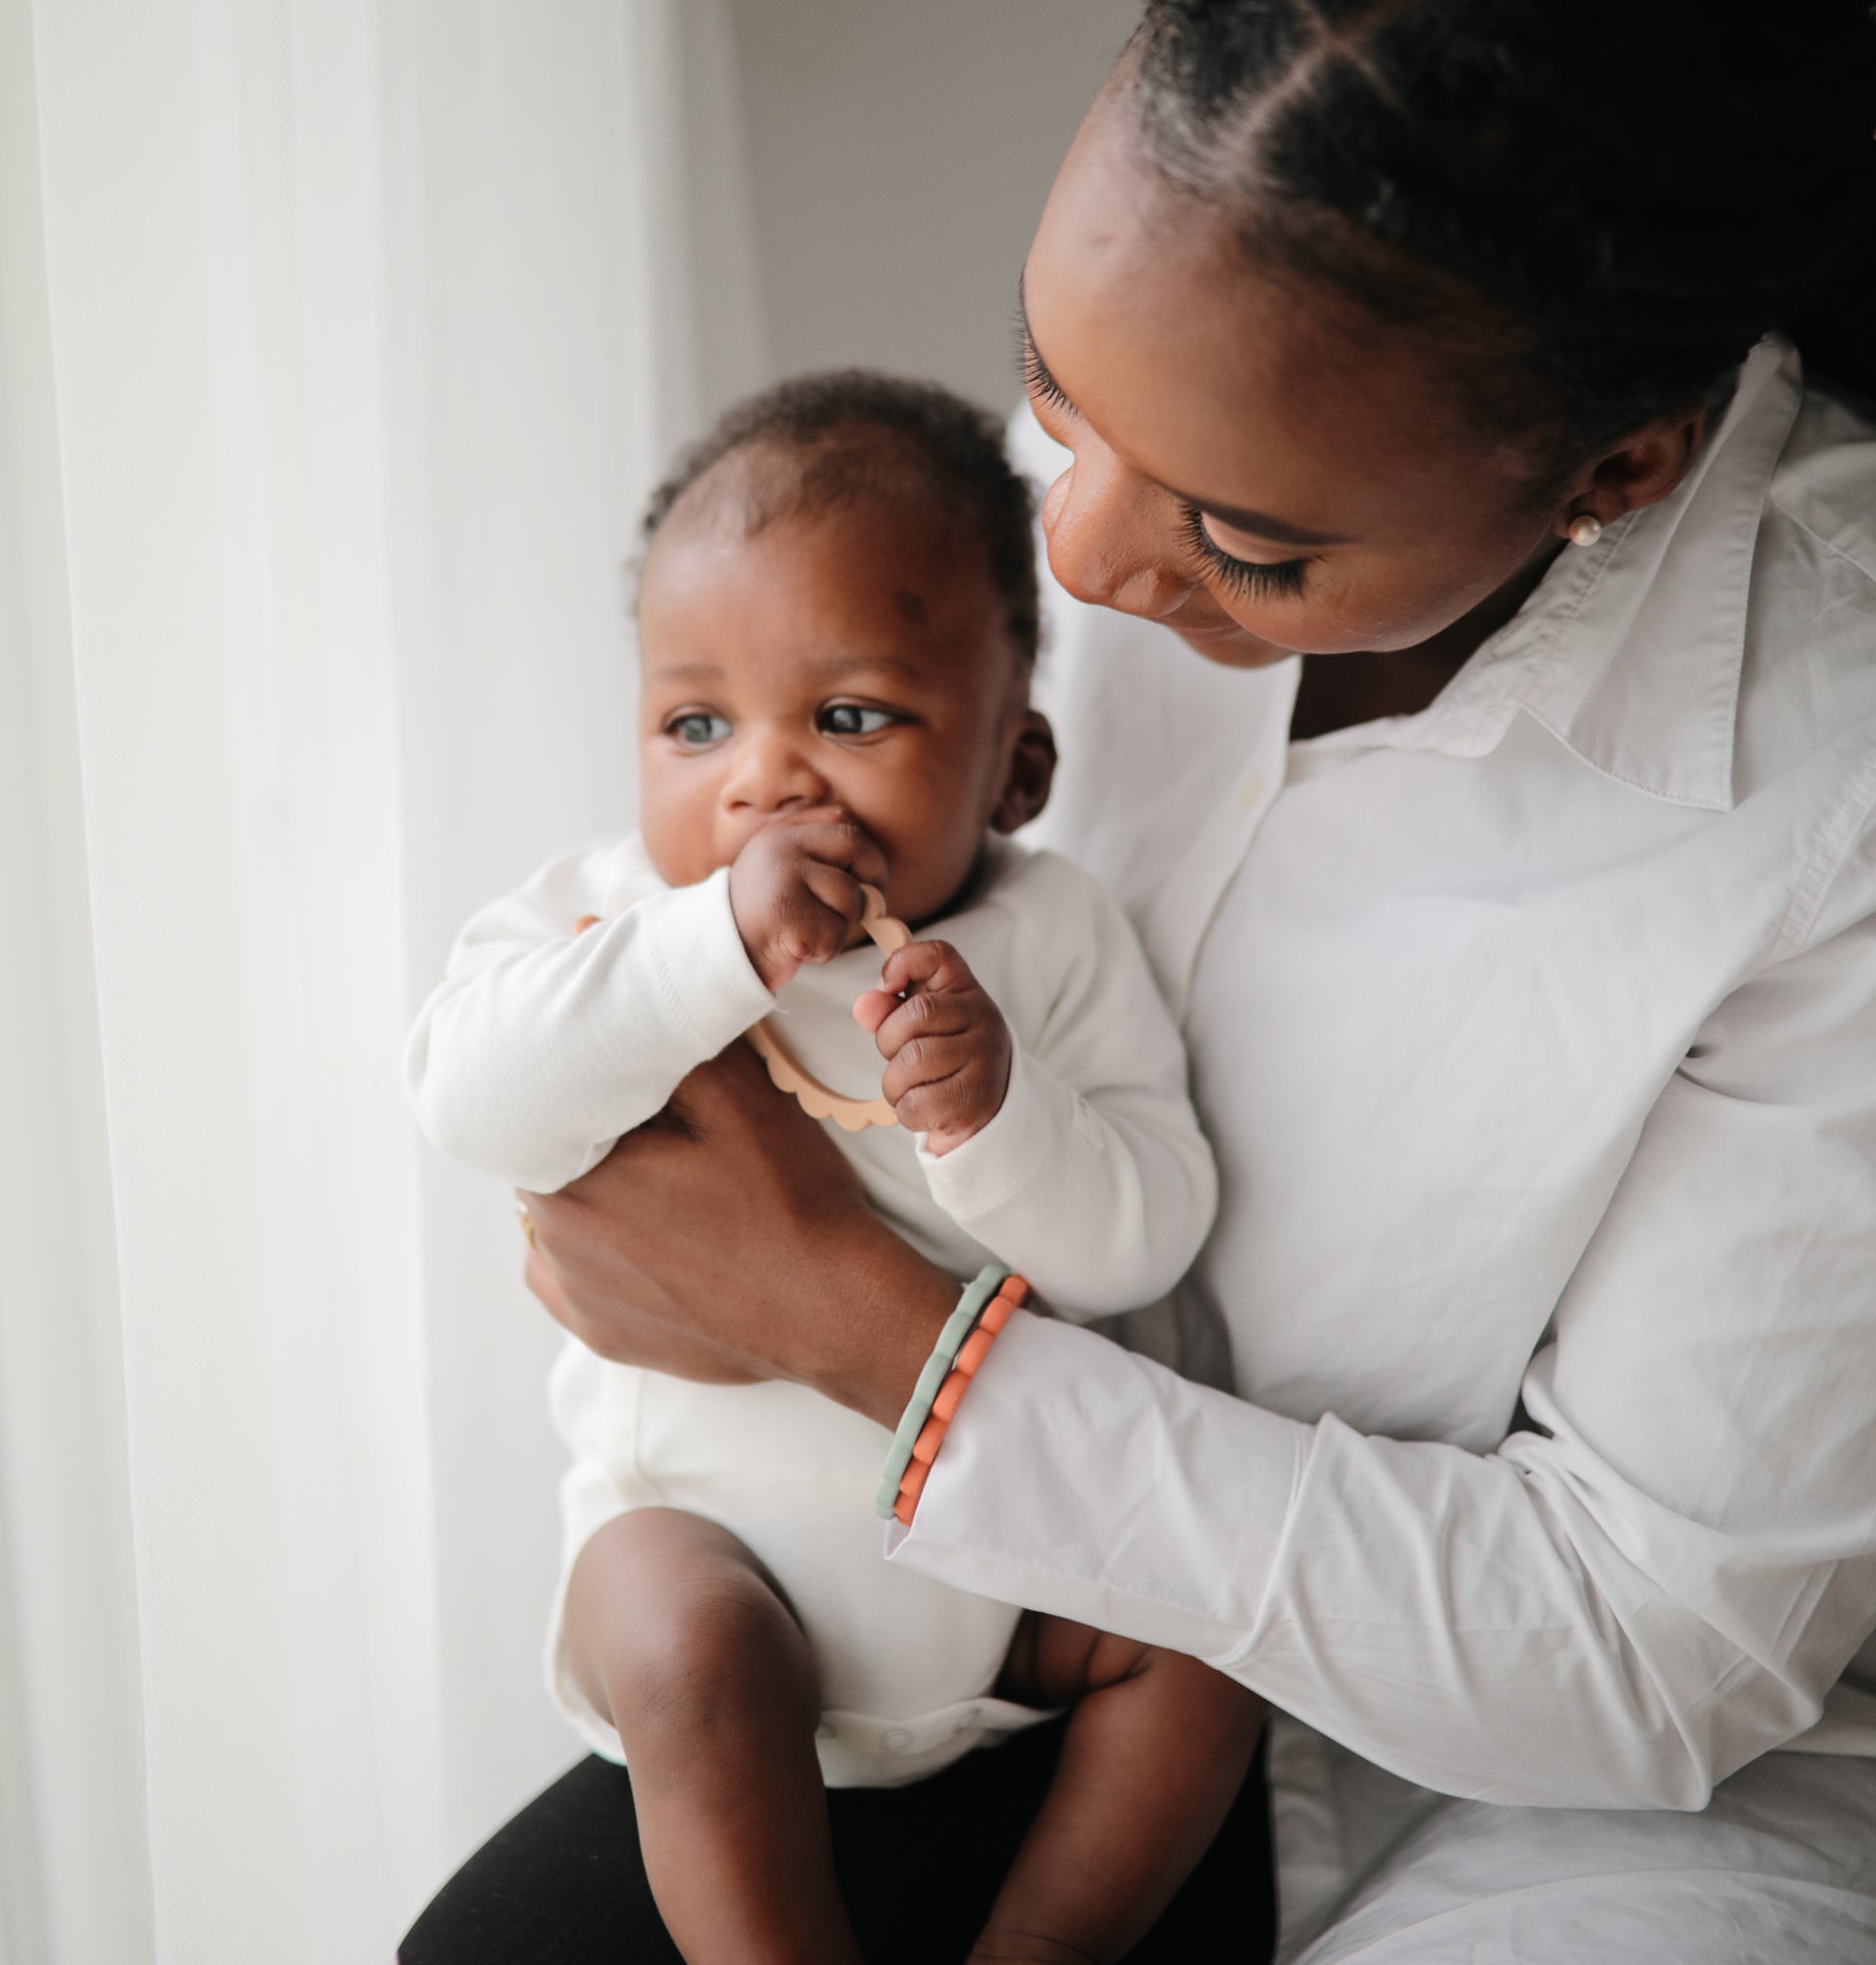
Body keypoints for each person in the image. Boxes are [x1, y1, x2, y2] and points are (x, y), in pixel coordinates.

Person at [406, 3, 1876, 1960]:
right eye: (1053, 394)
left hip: (1521, 1772)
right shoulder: (1113, 463)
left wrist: (867, 1328)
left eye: (1244, 542)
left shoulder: (1823, 777)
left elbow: (1645, 1650)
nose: (1075, 560)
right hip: (902, 1619)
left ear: (1612, 467)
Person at [403, 373, 1269, 1964]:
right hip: (712, 1559)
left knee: (1219, 1646)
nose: (765, 783)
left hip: (1013, 1586)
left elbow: (1147, 1233)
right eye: (696, 724)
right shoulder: (605, 926)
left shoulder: (1051, 940)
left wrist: (997, 1122)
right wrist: (706, 948)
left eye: (850, 716)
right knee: (680, 1646)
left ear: (1013, 768)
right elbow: (469, 1100)